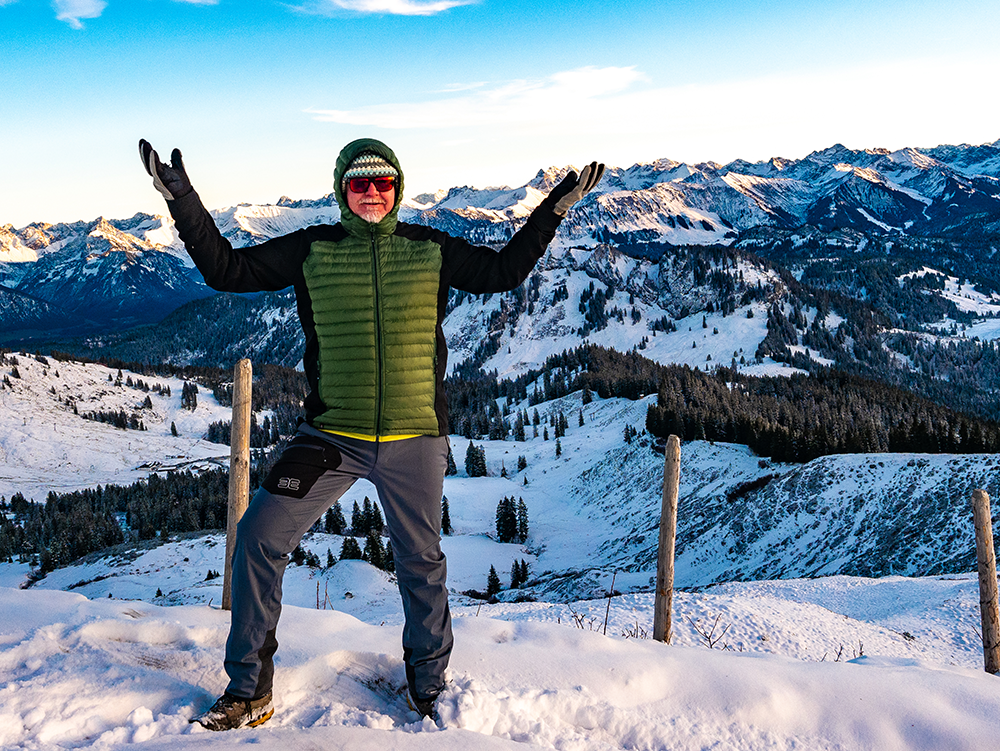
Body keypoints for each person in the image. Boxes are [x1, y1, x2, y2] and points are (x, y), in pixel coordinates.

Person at [138, 136, 603, 731]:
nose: (373, 194)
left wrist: (552, 211)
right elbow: (226, 270)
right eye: (360, 184)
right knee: (257, 533)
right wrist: (183, 199)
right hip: (330, 437)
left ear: (398, 187)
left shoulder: (429, 249)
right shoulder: (312, 250)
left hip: (415, 439)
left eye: (383, 183)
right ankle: (250, 690)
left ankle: (430, 689)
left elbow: (503, 272)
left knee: (421, 562)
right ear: (342, 190)